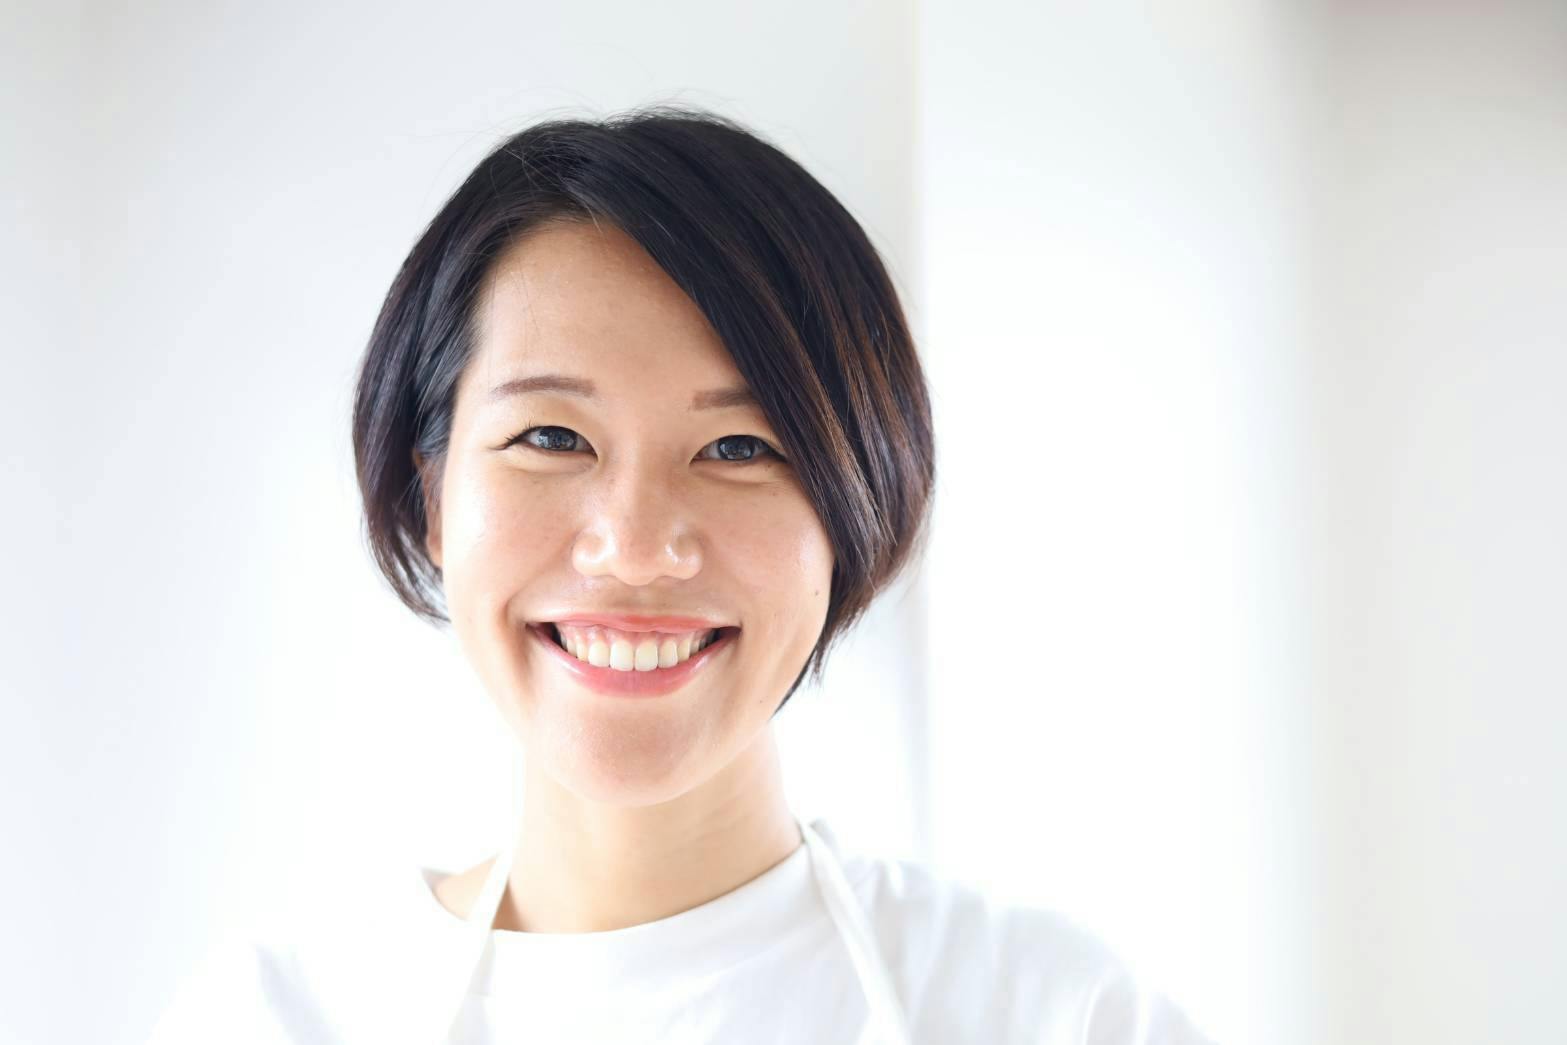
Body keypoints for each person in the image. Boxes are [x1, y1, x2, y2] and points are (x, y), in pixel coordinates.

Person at [149, 105, 1216, 1044]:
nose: (634, 545)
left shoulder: (1056, 1015)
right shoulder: (273, 1020)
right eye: (551, 437)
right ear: (432, 499)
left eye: (739, 447)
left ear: (849, 508)